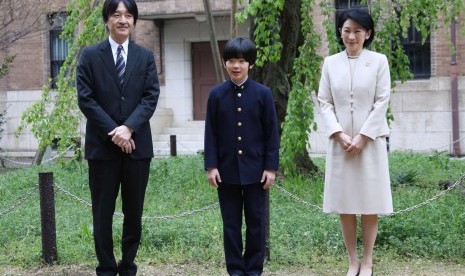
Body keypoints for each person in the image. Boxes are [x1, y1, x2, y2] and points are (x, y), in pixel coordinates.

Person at [76, 0, 159, 274]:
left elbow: (150, 97)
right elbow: (86, 99)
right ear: (107, 20)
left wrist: (129, 127)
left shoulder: (145, 56)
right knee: (102, 213)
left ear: (134, 21)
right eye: (116, 15)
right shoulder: (89, 55)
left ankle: (128, 265)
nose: (122, 20)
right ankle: (106, 267)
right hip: (102, 148)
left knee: (133, 212)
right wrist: (115, 131)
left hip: (137, 147)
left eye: (128, 15)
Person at [317, 9, 392, 276]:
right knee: (346, 204)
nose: (351, 36)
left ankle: (368, 260)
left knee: (370, 203)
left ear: (368, 33)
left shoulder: (379, 61)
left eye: (358, 31)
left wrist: (363, 136)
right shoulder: (330, 63)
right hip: (341, 145)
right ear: (340, 32)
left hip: (369, 144)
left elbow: (382, 101)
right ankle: (352, 261)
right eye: (347, 30)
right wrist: (338, 133)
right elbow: (324, 102)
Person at [204, 37, 279, 276]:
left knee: (256, 224)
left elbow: (271, 133)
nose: (236, 66)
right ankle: (235, 270)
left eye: (242, 61)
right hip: (226, 171)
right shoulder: (216, 95)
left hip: (257, 171)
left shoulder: (263, 94)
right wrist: (211, 166)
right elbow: (211, 133)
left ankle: (254, 270)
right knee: (231, 225)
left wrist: (270, 167)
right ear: (225, 63)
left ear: (251, 65)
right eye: (231, 61)